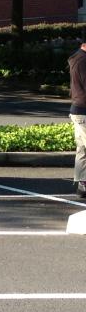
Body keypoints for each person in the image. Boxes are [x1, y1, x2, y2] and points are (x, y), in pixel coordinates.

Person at [69, 39, 86, 198]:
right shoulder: (83, 60)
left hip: (78, 109)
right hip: (83, 110)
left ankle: (83, 184)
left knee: (82, 148)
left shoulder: (76, 58)